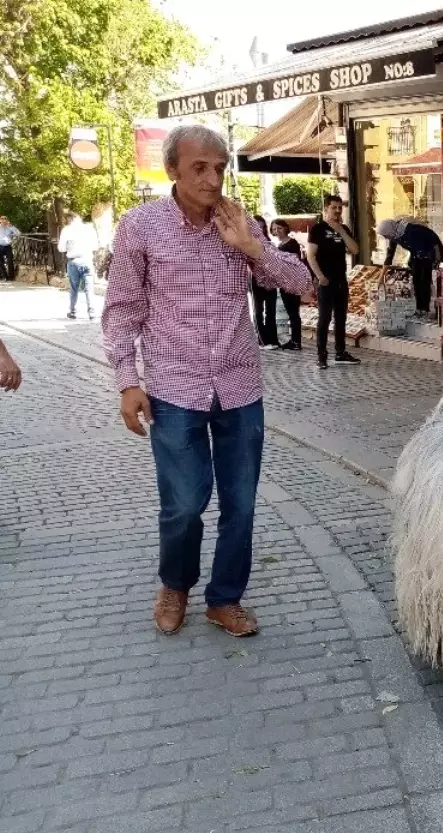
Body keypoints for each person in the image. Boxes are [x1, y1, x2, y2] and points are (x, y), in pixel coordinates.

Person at [101, 124, 313, 637]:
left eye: (220, 167)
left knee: (240, 503)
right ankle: (175, 585)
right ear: (172, 170)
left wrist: (251, 247)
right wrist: (128, 381)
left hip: (240, 386)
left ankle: (225, 599)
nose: (212, 178)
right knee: (185, 504)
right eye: (200, 167)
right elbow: (122, 311)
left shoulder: (238, 222)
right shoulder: (141, 227)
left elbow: (304, 286)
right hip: (174, 389)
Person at [307, 195, 361, 369]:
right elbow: (310, 255)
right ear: (326, 209)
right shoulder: (318, 229)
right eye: (334, 207)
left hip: (340, 279)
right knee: (324, 317)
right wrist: (320, 276)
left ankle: (340, 351)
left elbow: (354, 249)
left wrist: (342, 231)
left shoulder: (343, 228)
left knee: (341, 317)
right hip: (325, 280)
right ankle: (321, 355)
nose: (337, 211)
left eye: (340, 208)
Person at [377, 217, 443, 318]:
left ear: (389, 230)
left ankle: (425, 310)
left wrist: (436, 255)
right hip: (417, 254)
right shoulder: (394, 235)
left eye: (385, 235)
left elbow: (431, 236)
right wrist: (380, 278)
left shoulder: (410, 230)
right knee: (416, 281)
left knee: (424, 281)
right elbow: (389, 256)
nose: (386, 238)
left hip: (428, 251)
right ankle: (419, 309)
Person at [270, 219, 307, 350]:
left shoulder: (291, 243)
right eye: (274, 229)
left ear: (285, 228)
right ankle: (294, 340)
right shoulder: (280, 244)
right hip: (284, 281)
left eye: (279, 228)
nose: (277, 231)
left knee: (293, 312)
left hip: (292, 281)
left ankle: (296, 341)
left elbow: (293, 262)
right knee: (291, 312)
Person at [58, 212, 99, 320]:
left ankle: (73, 311)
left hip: (74, 261)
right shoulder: (89, 229)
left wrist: (69, 246)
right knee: (89, 288)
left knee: (74, 288)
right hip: (87, 261)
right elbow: (95, 246)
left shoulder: (66, 230)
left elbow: (61, 248)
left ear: (69, 220)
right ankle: (92, 312)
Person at [250, 215, 280, 348]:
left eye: (262, 227)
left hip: (270, 280)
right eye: (258, 227)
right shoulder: (248, 243)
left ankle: (272, 339)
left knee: (271, 311)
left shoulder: (269, 243)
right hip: (256, 281)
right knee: (258, 311)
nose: (260, 230)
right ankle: (261, 340)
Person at [0, 216, 20, 281]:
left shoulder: (10, 228)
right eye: (2, 219)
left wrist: (12, 226)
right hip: (0, 246)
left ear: (7, 220)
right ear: (0, 220)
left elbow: (18, 234)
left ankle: (11, 277)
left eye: (5, 219)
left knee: (10, 261)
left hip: (8, 246)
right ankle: (5, 276)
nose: (4, 220)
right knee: (0, 262)